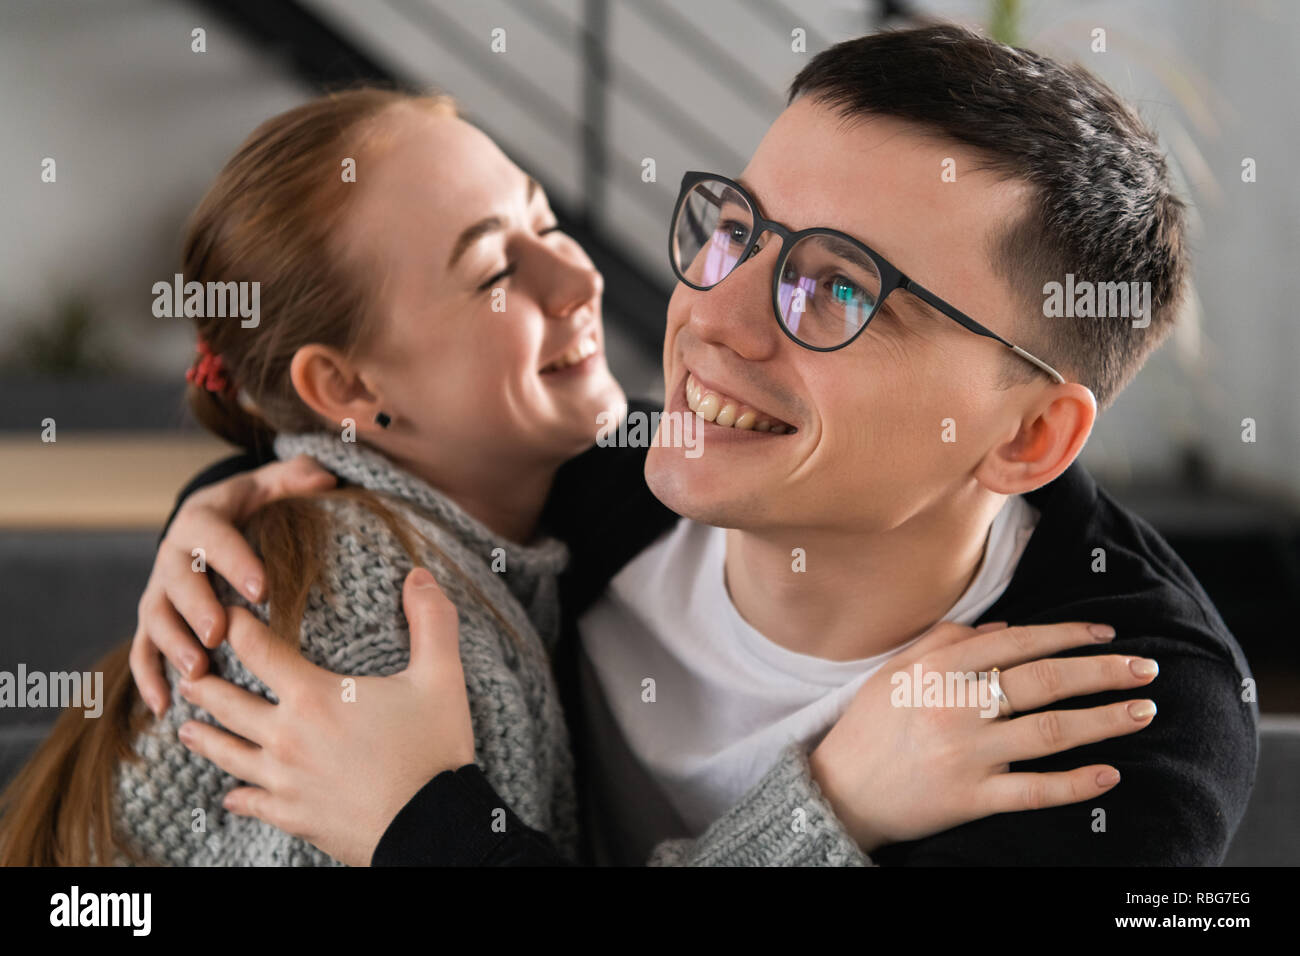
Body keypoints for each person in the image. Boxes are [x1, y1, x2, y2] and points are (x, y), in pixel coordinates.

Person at [126, 26, 1256, 866]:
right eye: (736, 230)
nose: (710, 316)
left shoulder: (1110, 721)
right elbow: (403, 435)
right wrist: (243, 506)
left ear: (1026, 433)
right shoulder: (605, 477)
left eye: (835, 288)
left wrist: (421, 824)